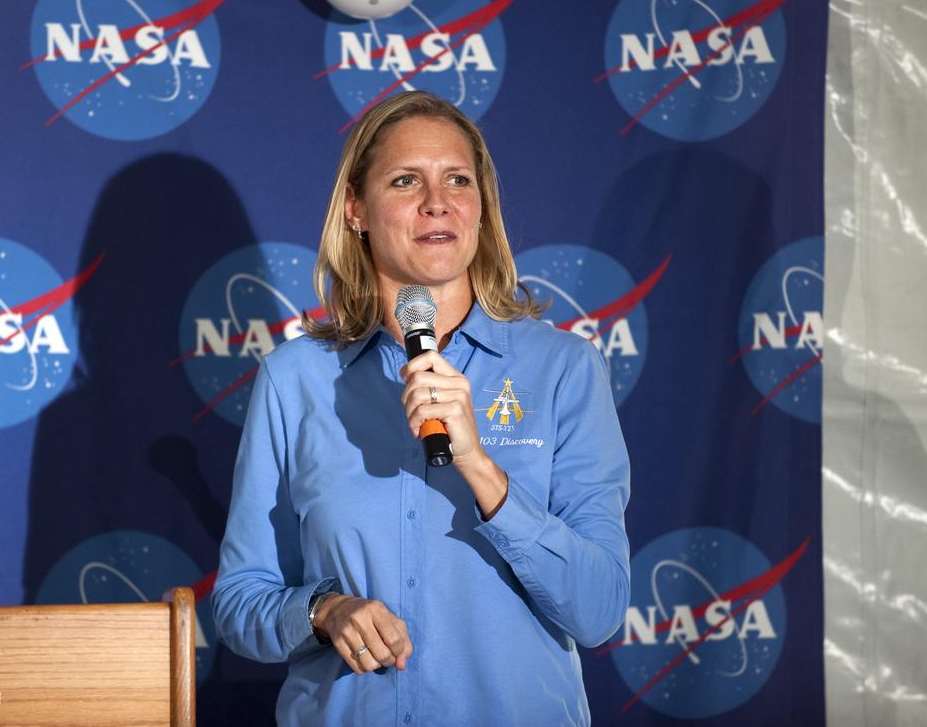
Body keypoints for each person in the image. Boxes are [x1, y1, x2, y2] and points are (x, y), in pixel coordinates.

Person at [212, 91, 631, 726]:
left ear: (481, 208)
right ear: (356, 209)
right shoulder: (293, 379)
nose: (437, 201)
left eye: (457, 179)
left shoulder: (565, 369)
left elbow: (600, 611)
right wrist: (323, 613)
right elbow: (241, 603)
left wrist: (482, 469)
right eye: (406, 180)